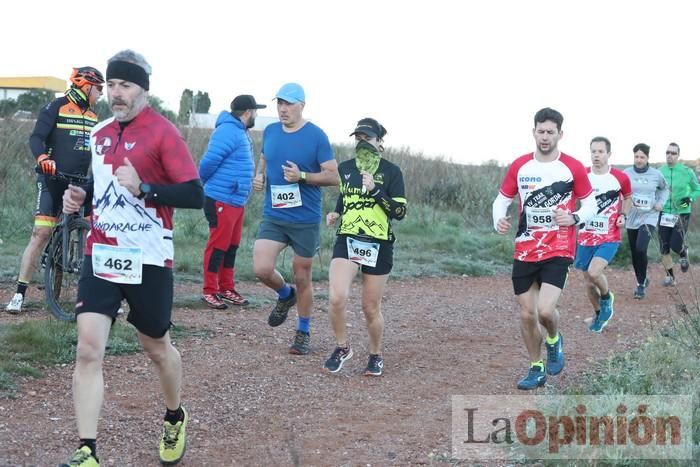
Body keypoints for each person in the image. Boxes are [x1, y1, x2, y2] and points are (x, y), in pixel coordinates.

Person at [59, 50, 203, 467]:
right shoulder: (100, 131)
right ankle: (88, 449)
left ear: (143, 89)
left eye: (125, 85)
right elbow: (98, 181)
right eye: (112, 85)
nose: (116, 94)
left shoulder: (164, 133)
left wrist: (146, 189)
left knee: (157, 346)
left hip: (149, 258)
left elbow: (195, 194)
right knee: (88, 348)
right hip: (102, 252)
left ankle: (175, 416)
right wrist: (80, 196)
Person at [492, 107, 597, 390]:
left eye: (551, 132)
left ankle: (554, 339)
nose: (546, 137)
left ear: (560, 134)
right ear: (534, 132)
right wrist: (498, 220)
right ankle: (536, 367)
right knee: (527, 314)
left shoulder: (573, 167)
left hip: (559, 248)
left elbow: (591, 204)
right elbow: (501, 200)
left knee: (546, 311)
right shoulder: (520, 166)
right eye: (541, 131)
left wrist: (574, 217)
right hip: (525, 250)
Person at [4, 67, 104, 313]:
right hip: (52, 179)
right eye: (99, 88)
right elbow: (36, 137)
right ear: (85, 85)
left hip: (81, 182)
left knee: (95, 233)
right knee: (40, 234)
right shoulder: (56, 107)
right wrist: (41, 157)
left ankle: (100, 294)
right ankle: (19, 294)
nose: (101, 94)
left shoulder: (93, 116)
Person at [252, 82, 338, 355]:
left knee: (303, 277)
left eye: (288, 104)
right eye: (279, 103)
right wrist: (259, 175)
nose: (282, 109)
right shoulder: (271, 131)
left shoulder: (317, 136)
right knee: (261, 268)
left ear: (302, 105)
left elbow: (333, 176)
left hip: (304, 219)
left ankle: (303, 330)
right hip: (274, 215)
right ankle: (284, 295)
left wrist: (302, 176)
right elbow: (265, 157)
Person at [324, 118, 406, 376]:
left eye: (367, 138)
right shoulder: (346, 168)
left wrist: (375, 190)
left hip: (379, 243)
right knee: (337, 296)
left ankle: (376, 353)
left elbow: (400, 211)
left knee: (370, 308)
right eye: (358, 138)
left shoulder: (392, 172)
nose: (362, 143)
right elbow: (345, 196)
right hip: (348, 238)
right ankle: (342, 346)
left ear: (379, 143)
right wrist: (336, 213)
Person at [198, 94, 266, 309]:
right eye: (255, 110)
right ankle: (210, 290)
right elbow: (208, 162)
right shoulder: (228, 130)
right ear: (248, 112)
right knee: (218, 246)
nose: (256, 114)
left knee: (231, 246)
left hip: (235, 200)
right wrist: (201, 184)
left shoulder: (240, 131)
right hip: (221, 198)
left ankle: (226, 288)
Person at [574, 137, 632, 332]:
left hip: (609, 236)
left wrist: (623, 214)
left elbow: (629, 197)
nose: (596, 155)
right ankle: (599, 315)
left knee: (594, 272)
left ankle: (607, 297)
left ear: (609, 154)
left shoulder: (620, 177)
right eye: (593, 151)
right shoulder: (582, 175)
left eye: (600, 151)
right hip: (585, 235)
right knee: (589, 283)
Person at [623, 143, 669, 299]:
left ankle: (641, 286)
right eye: (636, 156)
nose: (639, 160)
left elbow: (664, 189)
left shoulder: (656, 175)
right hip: (632, 217)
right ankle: (641, 280)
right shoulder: (626, 173)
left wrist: (660, 203)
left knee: (641, 247)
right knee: (635, 252)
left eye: (642, 157)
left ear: (648, 157)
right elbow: (619, 191)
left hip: (649, 216)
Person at [657, 142, 700, 285]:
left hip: (681, 212)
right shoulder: (660, 171)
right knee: (664, 247)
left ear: (678, 155)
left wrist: (690, 198)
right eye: (668, 152)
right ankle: (671, 277)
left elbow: (697, 189)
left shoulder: (687, 172)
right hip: (664, 213)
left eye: (673, 153)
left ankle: (683, 253)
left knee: (675, 245)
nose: (670, 155)